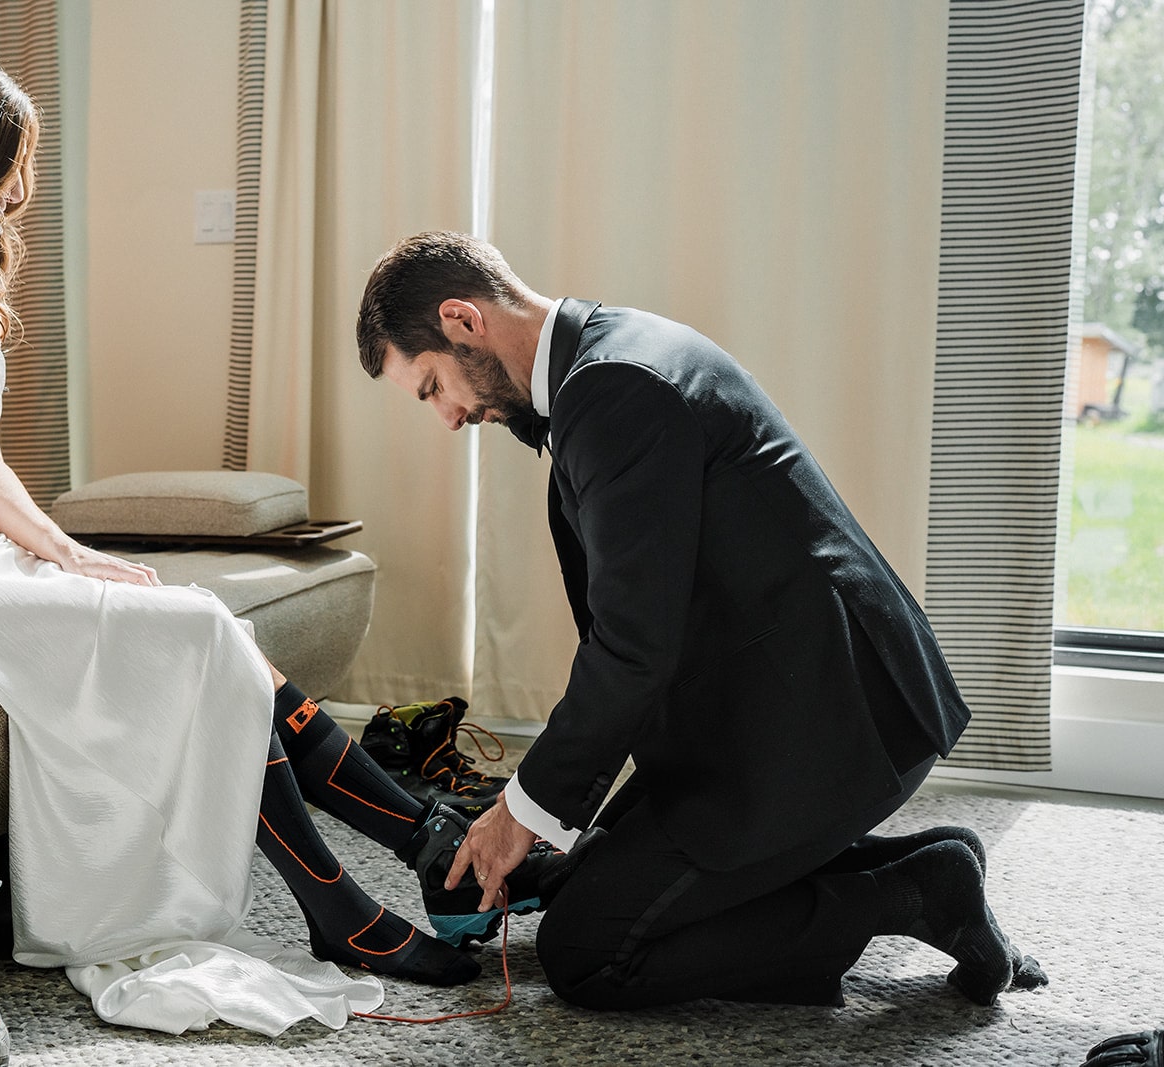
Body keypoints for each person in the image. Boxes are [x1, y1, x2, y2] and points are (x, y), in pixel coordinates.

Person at [0, 49, 528, 1041]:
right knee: (192, 628)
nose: (8, 190)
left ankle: (380, 874)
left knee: (195, 624)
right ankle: (365, 890)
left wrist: (67, 551)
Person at [355, 230, 1050, 1010]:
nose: (447, 416)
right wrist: (537, 821)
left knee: (589, 951)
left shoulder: (611, 389)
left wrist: (521, 807)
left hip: (832, 714)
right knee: (591, 875)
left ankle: (915, 896)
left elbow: (632, 648)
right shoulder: (606, 357)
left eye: (431, 387)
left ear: (462, 320)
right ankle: (933, 864)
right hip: (772, 688)